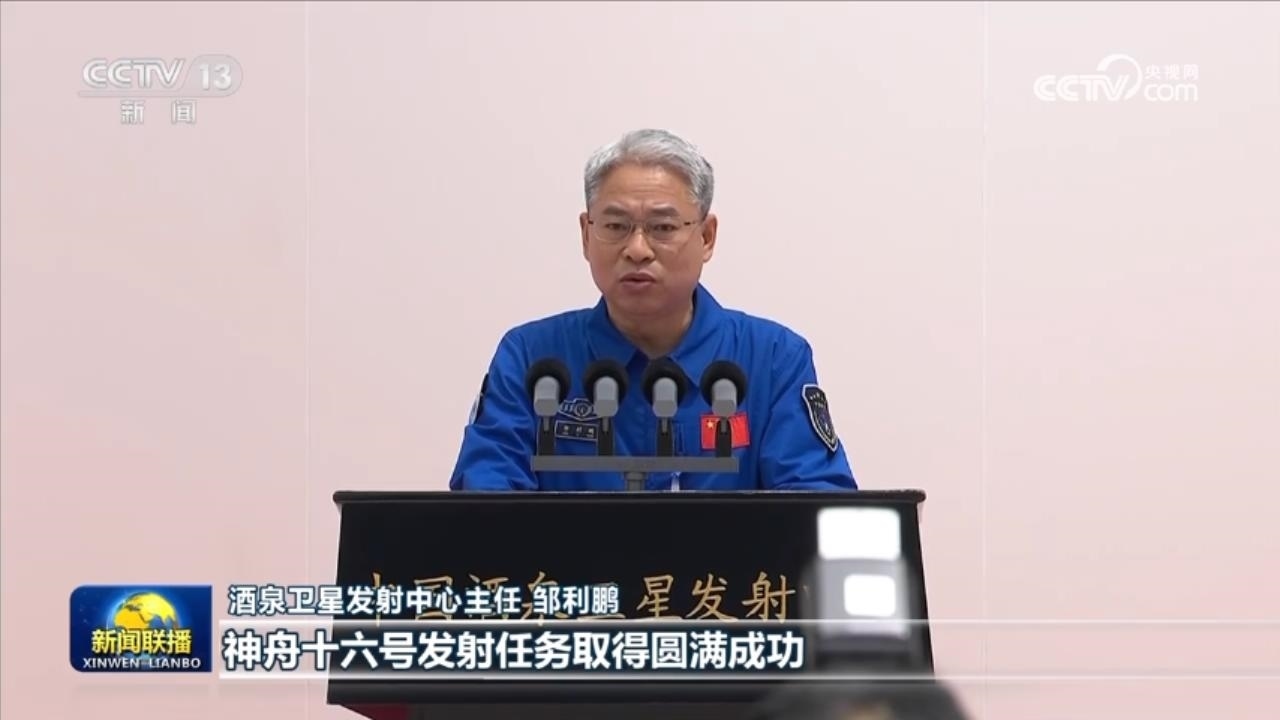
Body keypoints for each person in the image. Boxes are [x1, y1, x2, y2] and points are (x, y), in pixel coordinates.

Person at [449, 128, 857, 492]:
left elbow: (815, 507)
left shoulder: (773, 358)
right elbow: (485, 503)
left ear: (707, 237)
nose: (637, 249)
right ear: (586, 235)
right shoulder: (532, 357)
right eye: (615, 226)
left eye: (662, 227)